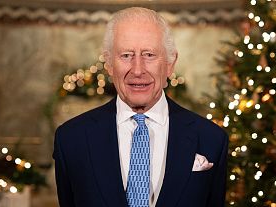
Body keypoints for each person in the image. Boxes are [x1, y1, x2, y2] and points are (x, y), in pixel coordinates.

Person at [53, 7, 228, 207]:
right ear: (109, 64)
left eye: (149, 55)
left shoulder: (211, 139)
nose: (137, 70)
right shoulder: (71, 140)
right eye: (126, 55)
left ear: (170, 64)